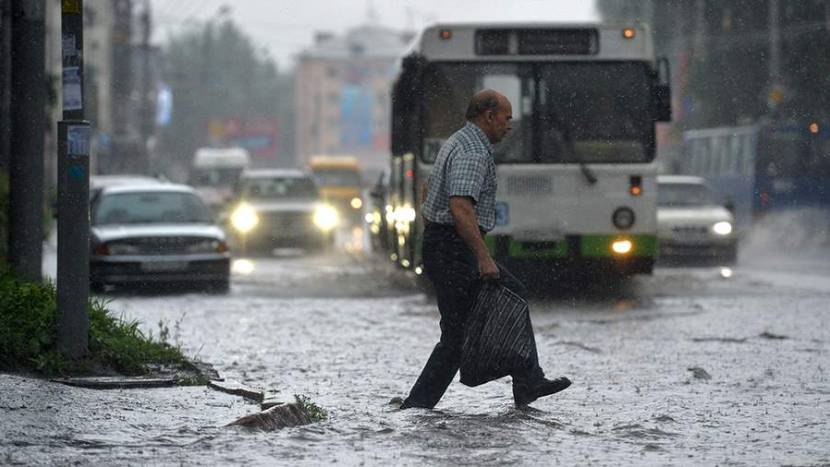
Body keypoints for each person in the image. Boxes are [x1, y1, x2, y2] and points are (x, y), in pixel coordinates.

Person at [400, 89, 571, 409]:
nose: (509, 126)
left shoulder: (457, 141)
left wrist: (435, 234)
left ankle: (524, 380)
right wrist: (482, 257)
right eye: (506, 119)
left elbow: (428, 192)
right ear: (489, 116)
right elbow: (460, 206)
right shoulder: (472, 151)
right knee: (470, 326)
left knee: (465, 329)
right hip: (453, 248)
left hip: (445, 244)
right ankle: (418, 406)